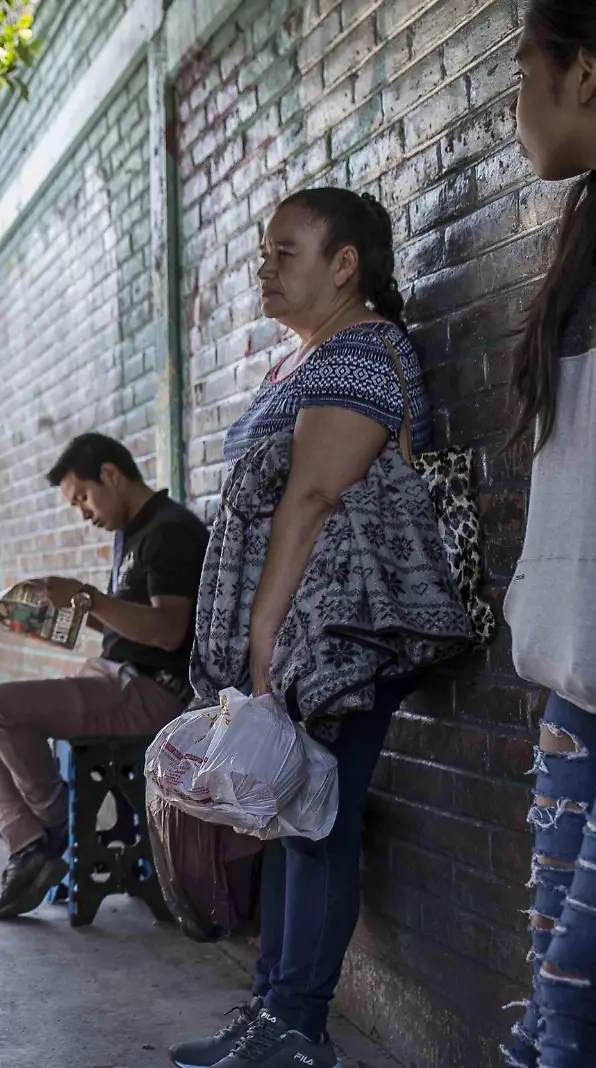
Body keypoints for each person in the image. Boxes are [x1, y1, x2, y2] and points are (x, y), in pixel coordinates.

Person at [165, 189, 440, 1068]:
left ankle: (296, 1027)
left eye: (287, 251)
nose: (265, 265)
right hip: (308, 635)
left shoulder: (360, 352)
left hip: (335, 637)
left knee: (317, 821)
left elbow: (315, 497)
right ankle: (274, 1013)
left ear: (345, 263)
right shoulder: (313, 357)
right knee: (289, 814)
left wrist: (262, 634)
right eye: (262, 250)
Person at [0, 433, 205, 921]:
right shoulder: (130, 533)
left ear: (111, 476)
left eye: (84, 498)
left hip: (150, 688)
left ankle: (62, 830)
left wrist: (91, 598)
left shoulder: (170, 530)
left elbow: (169, 631)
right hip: (115, 675)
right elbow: (129, 620)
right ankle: (28, 848)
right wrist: (58, 614)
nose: (84, 513)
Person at [501, 7, 596, 1065]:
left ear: (583, 72)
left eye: (522, 73)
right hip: (574, 675)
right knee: (548, 994)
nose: (513, 107)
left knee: (568, 1014)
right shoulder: (581, 230)